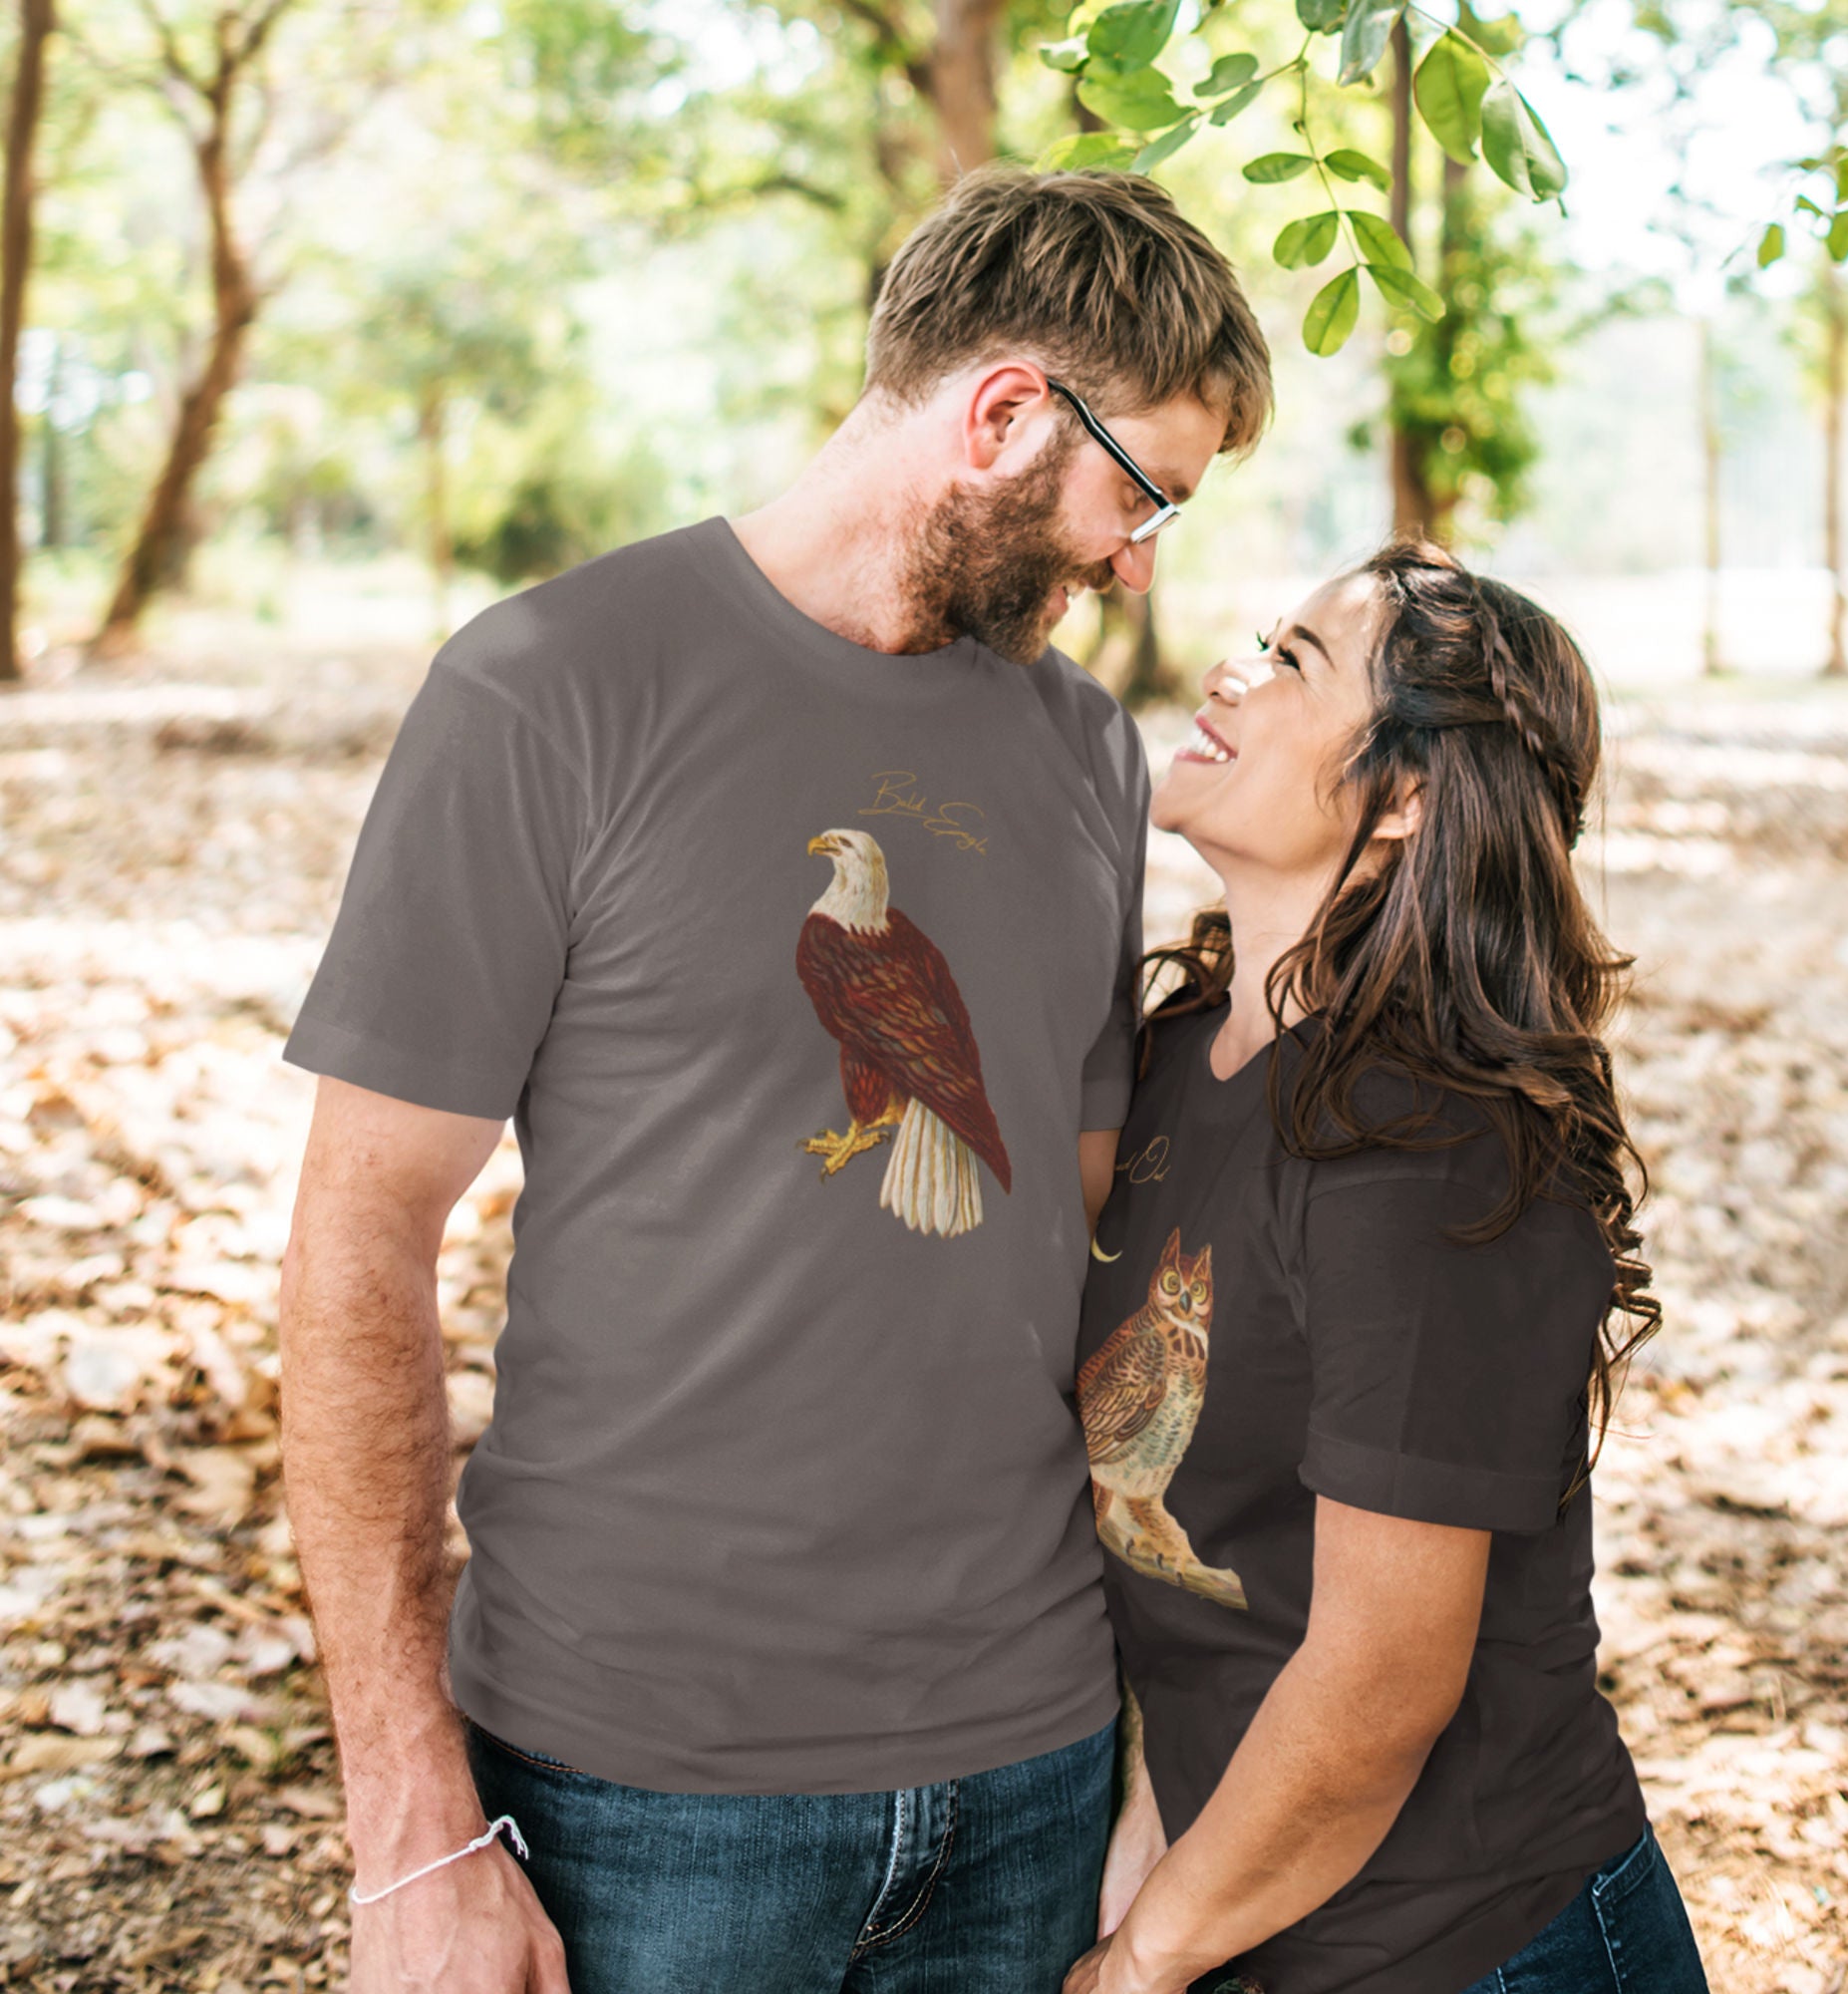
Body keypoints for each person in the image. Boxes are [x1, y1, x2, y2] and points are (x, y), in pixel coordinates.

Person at [276, 166, 1272, 1994]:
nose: (1140, 562)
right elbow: (359, 1242)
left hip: (1036, 1764)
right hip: (641, 1790)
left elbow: (1088, 1244)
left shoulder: (1084, 752)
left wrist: (1174, 1737)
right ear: (1003, 413)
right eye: (1142, 495)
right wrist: (412, 1821)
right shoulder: (548, 689)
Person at [1065, 541, 1709, 1994]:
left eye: (1294, 662)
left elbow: (1379, 1683)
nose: (1229, 672)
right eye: (1260, 639)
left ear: (1408, 793)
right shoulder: (1180, 1055)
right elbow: (1203, 1537)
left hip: (1481, 1948)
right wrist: (1155, 1837)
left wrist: (1141, 1962)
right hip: (1255, 1917)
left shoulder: (1425, 1152)